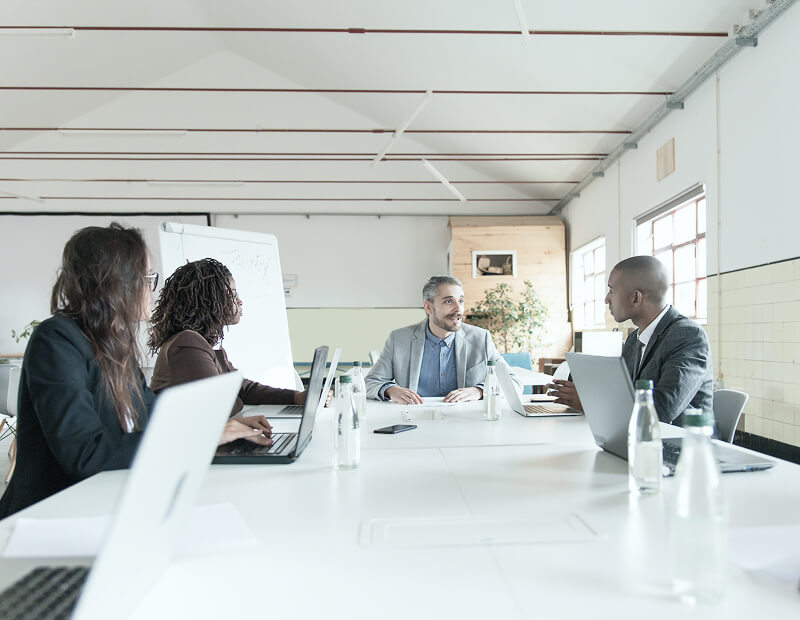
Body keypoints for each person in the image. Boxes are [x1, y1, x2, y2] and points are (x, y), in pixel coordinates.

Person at [0, 225, 272, 518]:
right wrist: (203, 434)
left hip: (108, 501)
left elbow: (153, 415)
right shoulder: (56, 340)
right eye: (147, 278)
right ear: (117, 282)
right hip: (50, 518)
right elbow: (84, 454)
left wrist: (228, 430)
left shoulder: (115, 345)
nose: (151, 290)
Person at [548, 255, 713, 425]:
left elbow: (663, 409)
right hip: (639, 439)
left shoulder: (688, 336)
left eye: (612, 290)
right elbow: (623, 392)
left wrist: (591, 401)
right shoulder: (635, 338)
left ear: (636, 297)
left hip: (682, 445)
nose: (606, 299)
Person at [148, 258, 317, 414]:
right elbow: (222, 404)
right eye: (233, 294)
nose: (239, 301)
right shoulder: (187, 343)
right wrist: (236, 396)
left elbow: (242, 388)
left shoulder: (204, 342)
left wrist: (297, 397)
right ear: (210, 301)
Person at [365, 275, 519, 404]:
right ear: (428, 308)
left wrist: (479, 390)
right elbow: (370, 382)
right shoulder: (399, 339)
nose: (458, 309)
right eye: (448, 301)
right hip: (414, 421)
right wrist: (390, 390)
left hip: (467, 422)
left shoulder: (480, 338)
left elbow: (513, 382)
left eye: (460, 301)